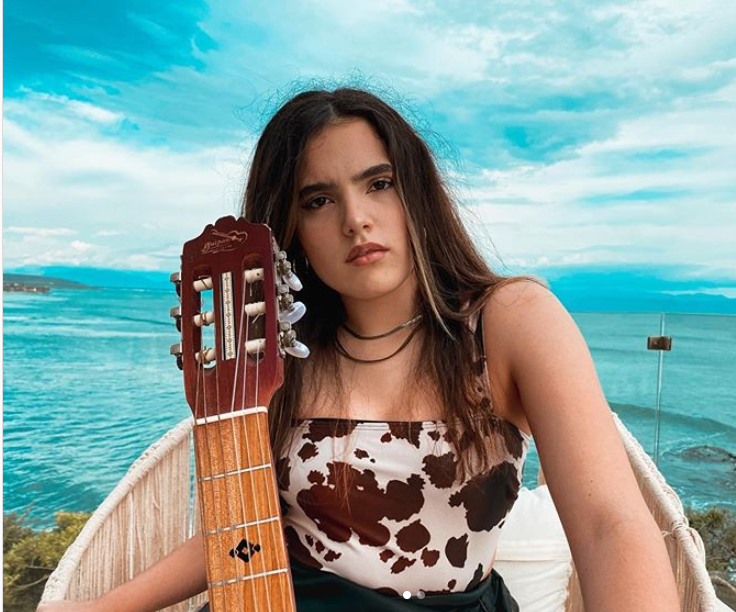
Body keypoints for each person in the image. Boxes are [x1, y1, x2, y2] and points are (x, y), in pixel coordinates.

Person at [37, 87, 680, 612]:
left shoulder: (508, 321)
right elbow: (246, 531)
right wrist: (101, 608)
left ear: (417, 192)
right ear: (292, 231)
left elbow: (609, 525)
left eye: (379, 183)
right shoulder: (277, 356)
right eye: (319, 200)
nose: (355, 219)